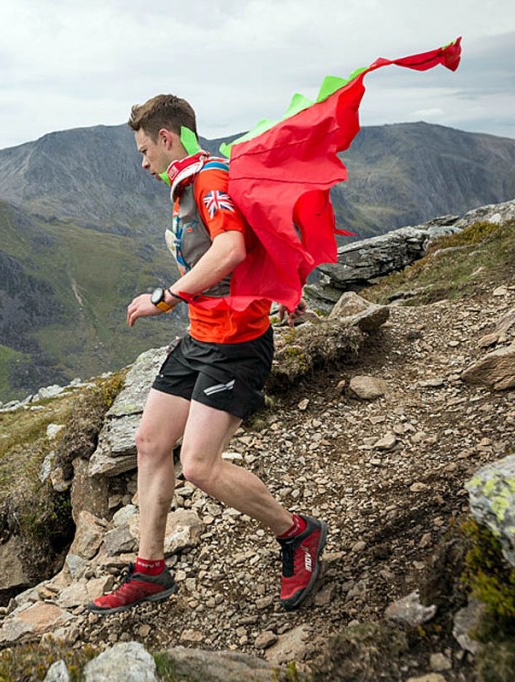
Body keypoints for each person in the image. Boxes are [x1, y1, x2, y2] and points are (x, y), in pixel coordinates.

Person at [87, 94, 327, 615]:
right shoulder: (188, 182)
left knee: (198, 465)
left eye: (144, 149)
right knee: (150, 441)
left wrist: (167, 296)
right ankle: (150, 570)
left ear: (166, 138)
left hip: (236, 346)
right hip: (201, 339)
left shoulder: (208, 180)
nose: (143, 161)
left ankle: (297, 534)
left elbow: (231, 248)